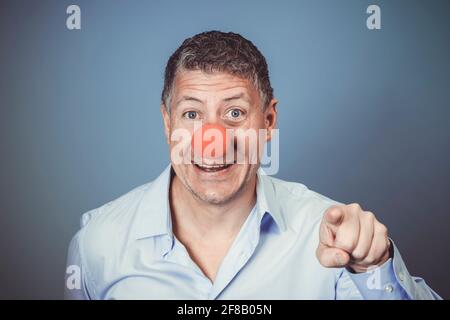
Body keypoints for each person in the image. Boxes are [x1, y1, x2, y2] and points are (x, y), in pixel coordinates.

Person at [65, 31, 440, 299]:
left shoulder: (332, 238)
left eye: (234, 112)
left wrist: (375, 267)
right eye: (192, 113)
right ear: (168, 123)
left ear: (268, 121)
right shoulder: (99, 243)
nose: (212, 141)